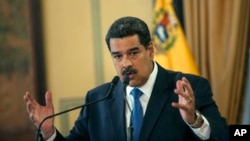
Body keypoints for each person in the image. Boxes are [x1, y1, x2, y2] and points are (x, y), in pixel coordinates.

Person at [24, 16, 229, 141]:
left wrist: (195, 121)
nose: (126, 63)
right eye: (117, 56)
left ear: (150, 51)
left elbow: (224, 135)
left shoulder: (188, 87)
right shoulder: (98, 99)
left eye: (133, 53)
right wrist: (50, 133)